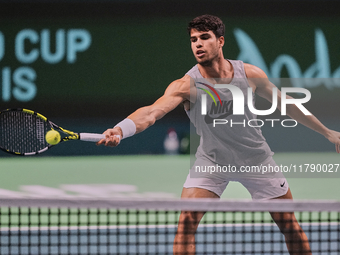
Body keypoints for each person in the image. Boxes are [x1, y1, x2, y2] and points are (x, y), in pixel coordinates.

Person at [97, 14, 340, 255]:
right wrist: (121, 129)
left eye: (204, 38)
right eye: (193, 40)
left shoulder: (249, 74)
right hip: (212, 162)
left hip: (256, 160)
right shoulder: (185, 85)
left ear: (220, 41)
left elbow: (286, 104)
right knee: (187, 222)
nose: (198, 44)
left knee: (288, 223)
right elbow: (151, 112)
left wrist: (329, 133)